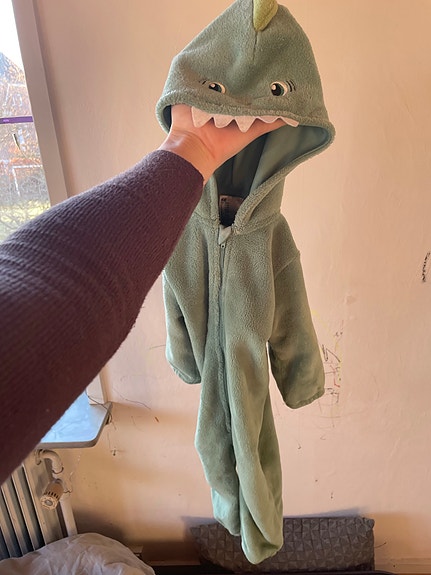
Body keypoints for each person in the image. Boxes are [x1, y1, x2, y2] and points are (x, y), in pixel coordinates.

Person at [0, 105, 283, 483]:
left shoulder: (270, 234)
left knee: (256, 458)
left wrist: (191, 146)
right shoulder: (182, 236)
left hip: (251, 379)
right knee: (224, 457)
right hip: (216, 388)